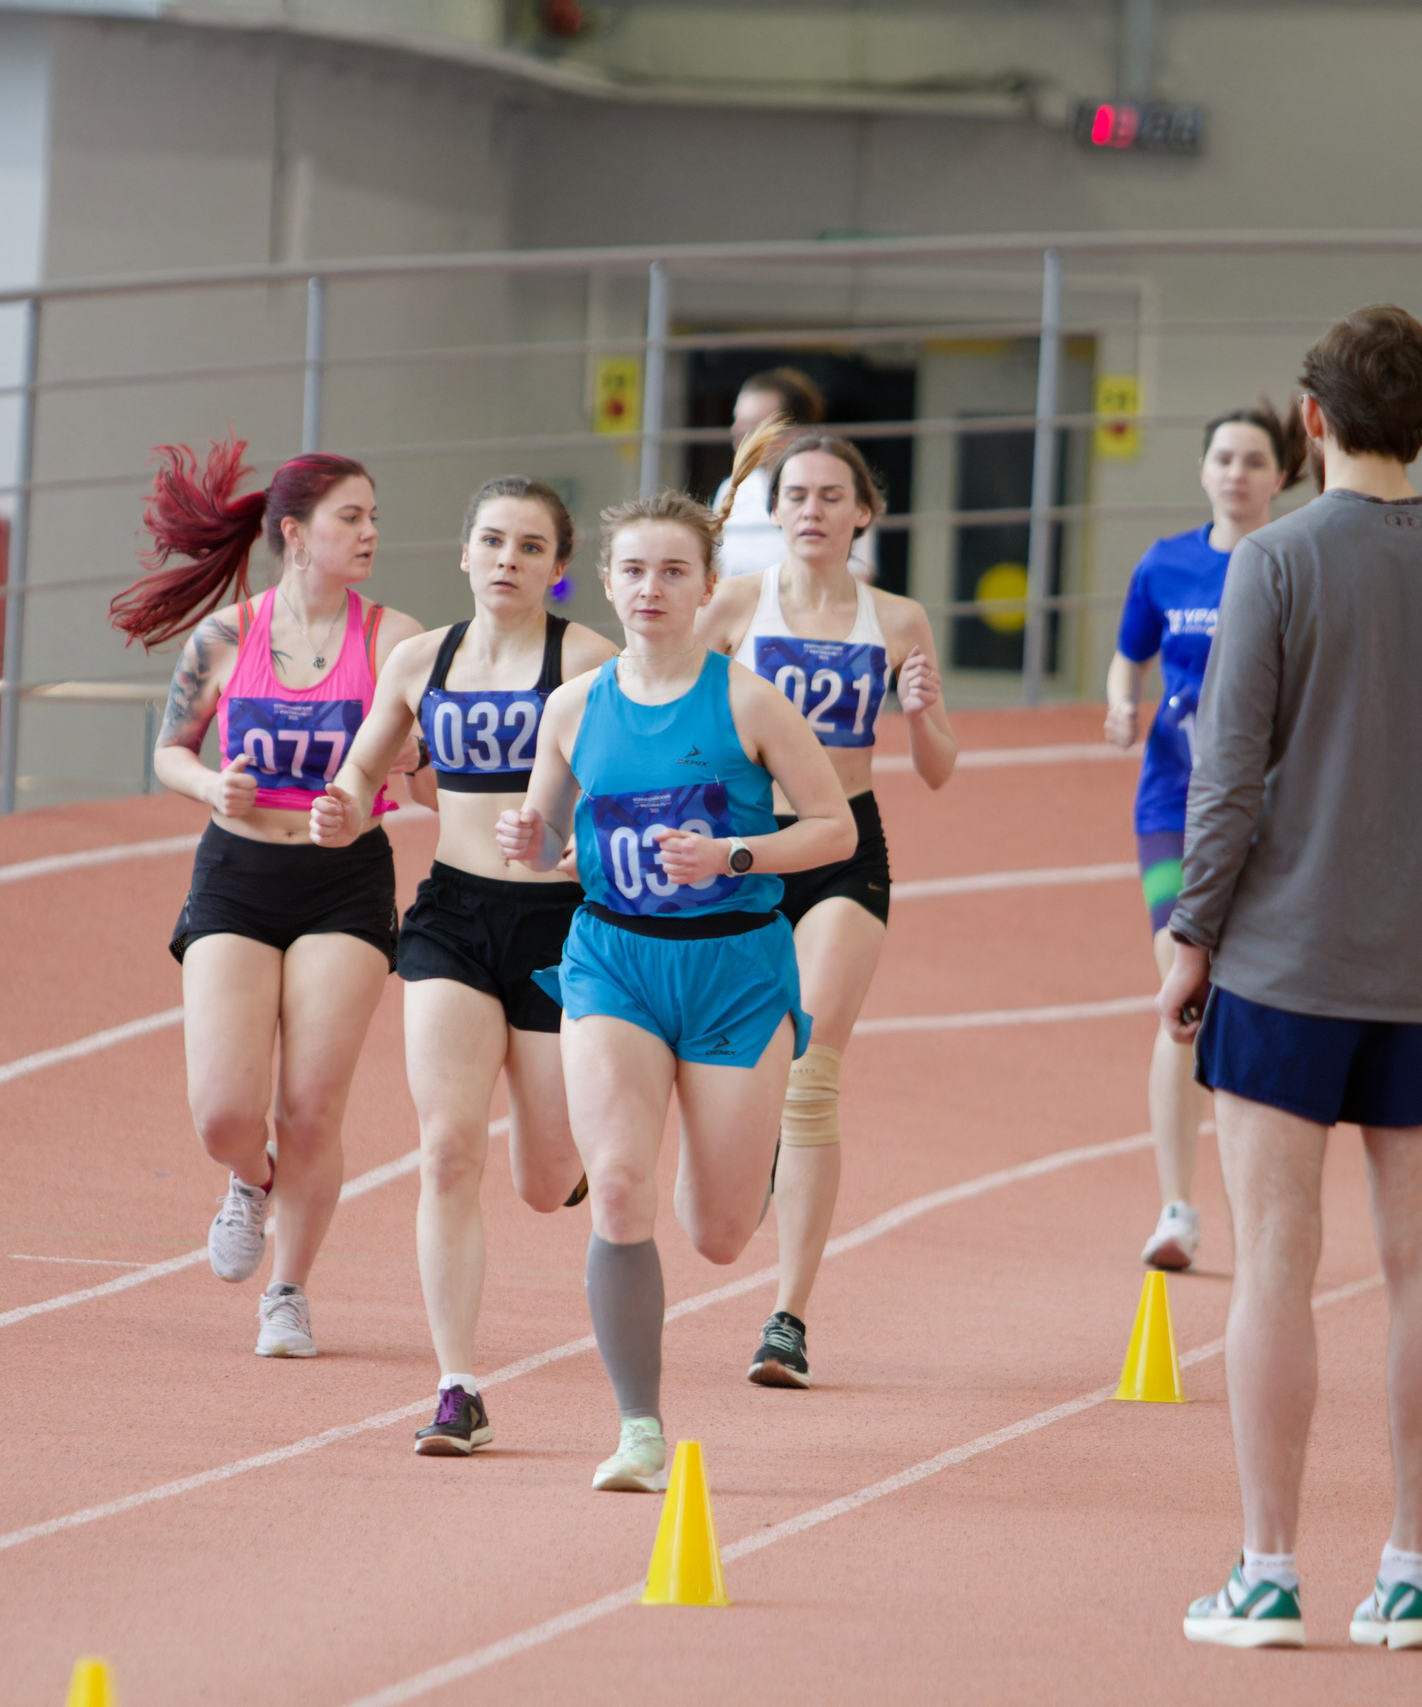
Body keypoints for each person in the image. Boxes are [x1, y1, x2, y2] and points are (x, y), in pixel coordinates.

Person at [1160, 306, 1422, 1651]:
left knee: (1275, 1254)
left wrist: (1189, 930)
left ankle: (1267, 1570)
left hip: (1283, 960)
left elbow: (1228, 772)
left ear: (1309, 422)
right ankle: (1415, 1571)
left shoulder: (1272, 562)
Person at [495, 491, 854, 1492]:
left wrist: (731, 852)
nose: (651, 589)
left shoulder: (747, 701)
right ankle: (639, 1430)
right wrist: (531, 847)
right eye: (634, 571)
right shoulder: (572, 708)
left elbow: (836, 831)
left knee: (721, 1234)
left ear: (705, 588)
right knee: (616, 1188)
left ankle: (757, 1144)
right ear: (605, 584)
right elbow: (553, 844)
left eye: (673, 572)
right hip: (612, 962)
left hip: (736, 971)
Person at [310, 476, 617, 1454]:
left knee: (541, 1177)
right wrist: (344, 807)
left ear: (558, 571)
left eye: (530, 548)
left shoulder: (591, 664)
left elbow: (636, 791)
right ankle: (457, 1385)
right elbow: (364, 770)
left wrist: (575, 839)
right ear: (462, 552)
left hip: (562, 925)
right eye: (491, 541)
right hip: (450, 914)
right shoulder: (418, 660)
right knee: (446, 1149)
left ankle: (560, 1171)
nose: (506, 561)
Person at [119, 438, 423, 1359]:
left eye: (373, 516)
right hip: (239, 874)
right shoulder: (226, 636)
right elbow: (170, 750)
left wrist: (395, 773)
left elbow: (420, 762)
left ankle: (287, 1290)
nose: (371, 532)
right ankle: (248, 1182)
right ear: (295, 533)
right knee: (223, 1112)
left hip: (346, 878)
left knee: (310, 1108)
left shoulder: (394, 638)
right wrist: (213, 787)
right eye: (351, 517)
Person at [696, 419, 957, 1386]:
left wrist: (924, 708)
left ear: (864, 514)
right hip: (745, 851)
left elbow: (937, 770)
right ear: (776, 513)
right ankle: (745, 1155)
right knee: (743, 1065)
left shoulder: (896, 619)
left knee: (812, 1067)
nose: (812, 510)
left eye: (830, 496)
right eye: (796, 496)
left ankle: (786, 1318)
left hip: (845, 849)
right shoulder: (732, 606)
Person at [1102, 401, 1309, 1272]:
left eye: (1255, 460)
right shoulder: (1167, 564)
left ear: (1282, 477)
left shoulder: (1300, 565)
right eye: (1223, 457)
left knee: (1256, 999)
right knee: (1181, 993)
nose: (1237, 472)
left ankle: (1263, 1206)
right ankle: (1178, 1208)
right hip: (1172, 808)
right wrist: (1120, 700)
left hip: (1274, 815)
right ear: (1203, 470)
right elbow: (1129, 652)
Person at [712, 369, 879, 583]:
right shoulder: (733, 489)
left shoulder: (844, 487)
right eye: (737, 420)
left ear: (795, 430)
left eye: (754, 425)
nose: (737, 431)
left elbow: (856, 579)